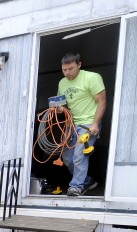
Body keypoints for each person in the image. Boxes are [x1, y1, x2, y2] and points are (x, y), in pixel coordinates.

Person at [58, 52, 106, 196]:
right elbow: (63, 105)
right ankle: (87, 180)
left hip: (88, 123)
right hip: (71, 124)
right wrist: (60, 109)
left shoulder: (92, 78)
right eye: (64, 70)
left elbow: (102, 101)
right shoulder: (62, 82)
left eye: (71, 69)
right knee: (67, 158)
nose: (67, 73)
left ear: (79, 64)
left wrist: (96, 124)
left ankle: (76, 186)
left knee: (79, 155)